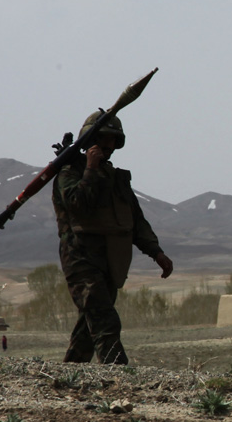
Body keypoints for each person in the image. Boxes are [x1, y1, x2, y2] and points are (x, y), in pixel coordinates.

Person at [51, 110, 174, 364]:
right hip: (81, 258)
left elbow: (135, 221)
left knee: (89, 325)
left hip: (110, 259)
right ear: (89, 141)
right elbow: (78, 205)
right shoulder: (69, 173)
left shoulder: (115, 178)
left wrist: (157, 253)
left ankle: (70, 374)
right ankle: (119, 376)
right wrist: (91, 170)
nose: (108, 146)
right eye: (103, 139)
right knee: (104, 319)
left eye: (113, 141)